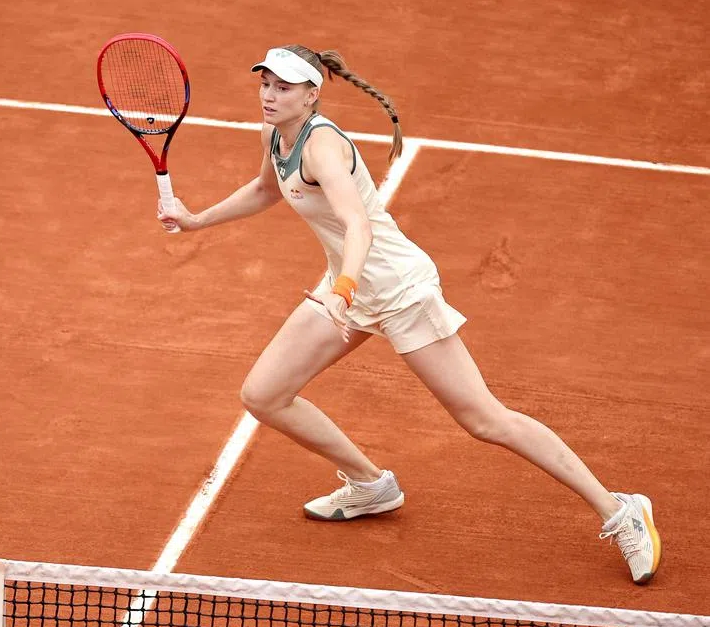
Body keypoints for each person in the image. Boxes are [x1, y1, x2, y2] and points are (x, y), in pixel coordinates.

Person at [154, 45, 662, 585]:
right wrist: (195, 220)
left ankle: (620, 509)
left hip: (397, 290)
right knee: (263, 394)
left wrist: (343, 292)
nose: (270, 95)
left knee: (484, 419)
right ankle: (371, 485)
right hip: (349, 286)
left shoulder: (322, 147)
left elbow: (358, 225)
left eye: (283, 87)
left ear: (312, 93)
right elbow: (264, 189)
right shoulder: (275, 134)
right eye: (265, 84)